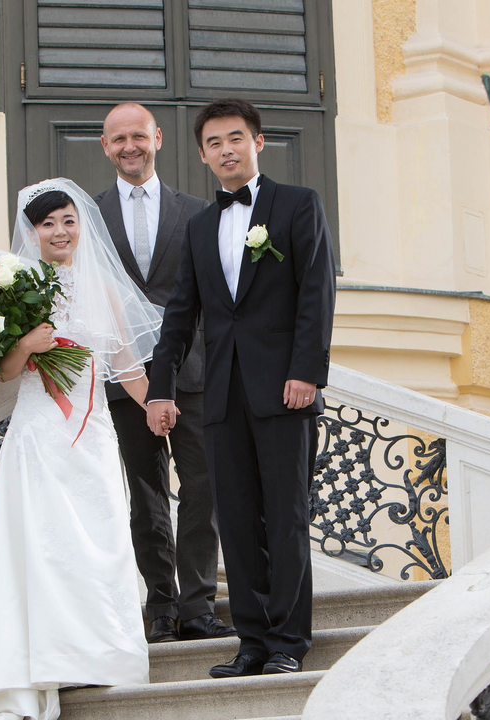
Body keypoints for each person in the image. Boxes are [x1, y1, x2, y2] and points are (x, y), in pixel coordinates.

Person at [0, 179, 161, 720]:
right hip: (39, 436)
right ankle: (43, 658)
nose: (59, 231)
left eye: (68, 220)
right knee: (42, 544)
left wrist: (157, 410)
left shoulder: (103, 289)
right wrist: (25, 343)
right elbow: (1, 374)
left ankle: (103, 655)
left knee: (100, 538)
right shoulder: (14, 290)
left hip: (90, 435)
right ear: (32, 231)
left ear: (81, 224)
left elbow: (128, 368)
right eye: (47, 224)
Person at [145, 98, 336, 678]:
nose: (225, 150)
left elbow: (316, 292)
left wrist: (306, 371)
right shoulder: (202, 226)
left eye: (236, 138)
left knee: (284, 518)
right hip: (222, 397)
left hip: (284, 391)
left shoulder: (298, 205)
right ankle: (251, 641)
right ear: (202, 155)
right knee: (235, 520)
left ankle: (287, 642)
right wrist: (160, 387)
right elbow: (181, 314)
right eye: (213, 143)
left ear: (258, 142)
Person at [91, 103, 233, 643]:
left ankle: (198, 605)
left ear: (158, 139)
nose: (130, 146)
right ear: (105, 146)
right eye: (118, 138)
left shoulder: (199, 211)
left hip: (194, 373)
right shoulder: (88, 215)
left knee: (203, 489)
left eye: (139, 136)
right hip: (122, 375)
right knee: (144, 494)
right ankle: (160, 608)